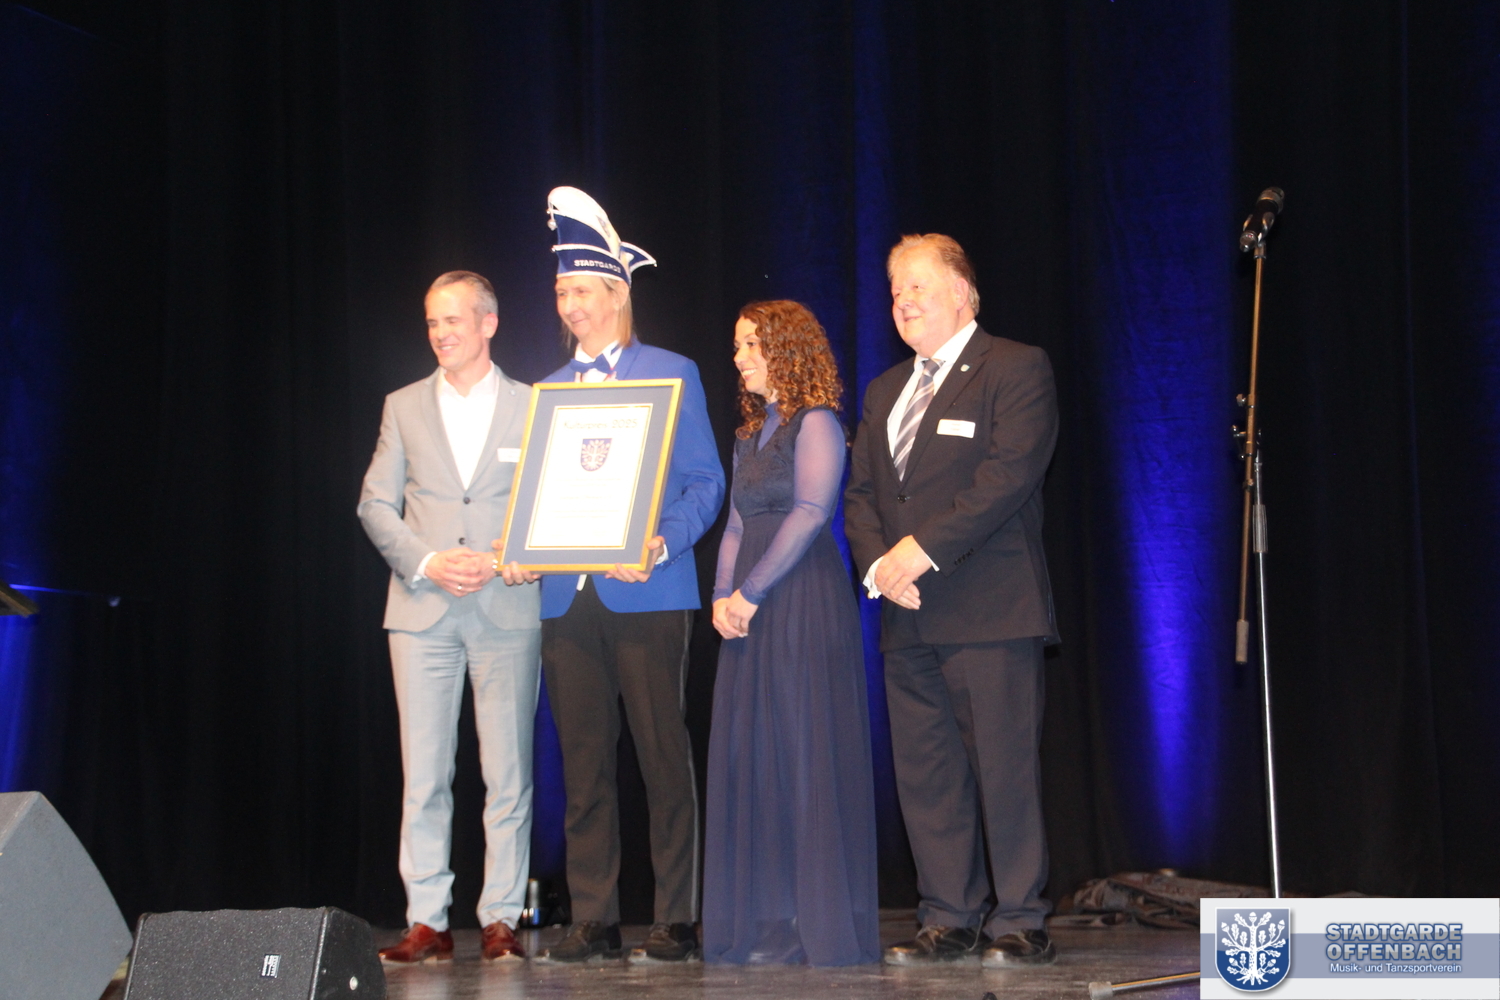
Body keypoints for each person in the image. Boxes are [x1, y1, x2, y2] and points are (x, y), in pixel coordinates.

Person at [497, 187, 724, 963]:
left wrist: (659, 544)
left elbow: (706, 485)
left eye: (582, 291)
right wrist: (519, 548)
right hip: (567, 599)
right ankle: (593, 916)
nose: (569, 306)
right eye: (561, 292)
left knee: (662, 755)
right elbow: (534, 499)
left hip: (648, 591)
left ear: (618, 294)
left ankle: (676, 915)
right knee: (584, 761)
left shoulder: (673, 373)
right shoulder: (547, 393)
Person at [843, 234, 1060, 968]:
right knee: (927, 776)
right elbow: (861, 494)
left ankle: (1021, 918)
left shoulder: (1015, 367)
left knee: (1004, 770)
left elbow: (1008, 476)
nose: (902, 301)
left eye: (918, 286)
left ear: (963, 293)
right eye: (895, 290)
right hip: (905, 612)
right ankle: (948, 916)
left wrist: (919, 551)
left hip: (991, 610)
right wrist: (880, 566)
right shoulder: (883, 390)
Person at [357, 271, 541, 963]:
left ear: (488, 324)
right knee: (425, 775)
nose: (440, 333)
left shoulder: (534, 405)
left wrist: (511, 556)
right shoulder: (402, 406)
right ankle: (427, 920)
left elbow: (548, 501)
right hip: (422, 611)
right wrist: (429, 561)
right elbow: (374, 504)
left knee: (508, 774)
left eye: (453, 320)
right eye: (432, 322)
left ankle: (501, 918)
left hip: (506, 607)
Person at [702, 301, 880, 966]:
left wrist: (749, 592)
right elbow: (736, 525)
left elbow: (810, 512)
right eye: (738, 345)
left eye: (751, 345)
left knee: (805, 752)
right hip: (750, 607)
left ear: (786, 348)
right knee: (756, 757)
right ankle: (771, 919)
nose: (739, 358)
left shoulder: (818, 422)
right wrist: (721, 597)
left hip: (801, 598)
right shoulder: (749, 434)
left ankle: (818, 922)